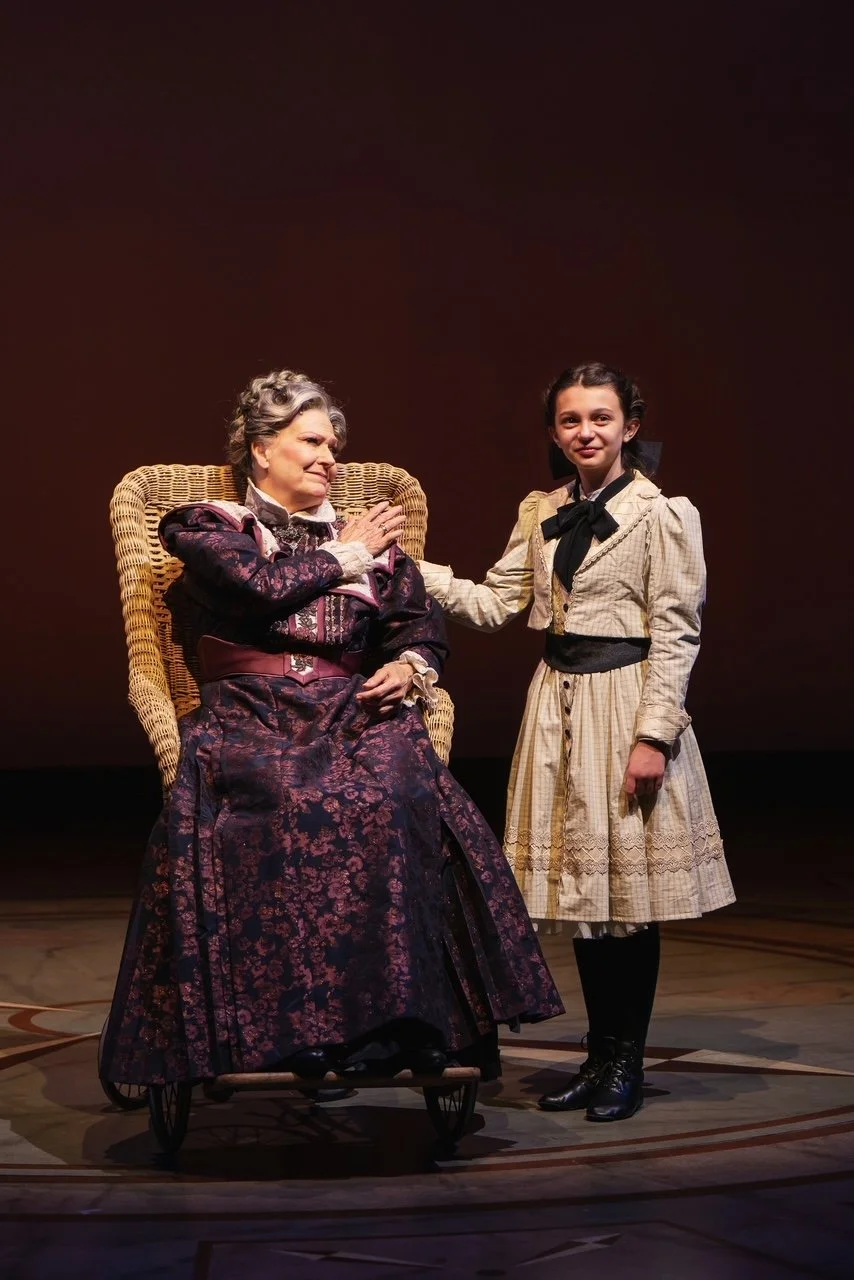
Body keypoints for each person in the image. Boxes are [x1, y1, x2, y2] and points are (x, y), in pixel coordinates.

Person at [101, 370, 563, 1090]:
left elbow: (421, 624)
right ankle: (294, 1031)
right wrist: (348, 553)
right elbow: (259, 589)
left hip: (351, 713)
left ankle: (404, 1024)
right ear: (261, 450)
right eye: (311, 441)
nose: (329, 457)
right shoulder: (204, 526)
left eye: (334, 444)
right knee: (284, 803)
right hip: (252, 715)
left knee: (399, 795)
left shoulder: (371, 541)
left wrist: (410, 664)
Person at [419, 362, 734, 1121]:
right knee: (585, 899)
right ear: (555, 434)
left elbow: (677, 631)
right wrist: (405, 570)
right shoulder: (544, 508)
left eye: (601, 418)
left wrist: (654, 735)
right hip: (556, 706)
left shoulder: (663, 513)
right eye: (570, 421)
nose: (585, 432)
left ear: (630, 425)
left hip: (623, 706)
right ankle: (598, 1057)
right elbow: (498, 603)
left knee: (627, 899)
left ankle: (625, 1058)